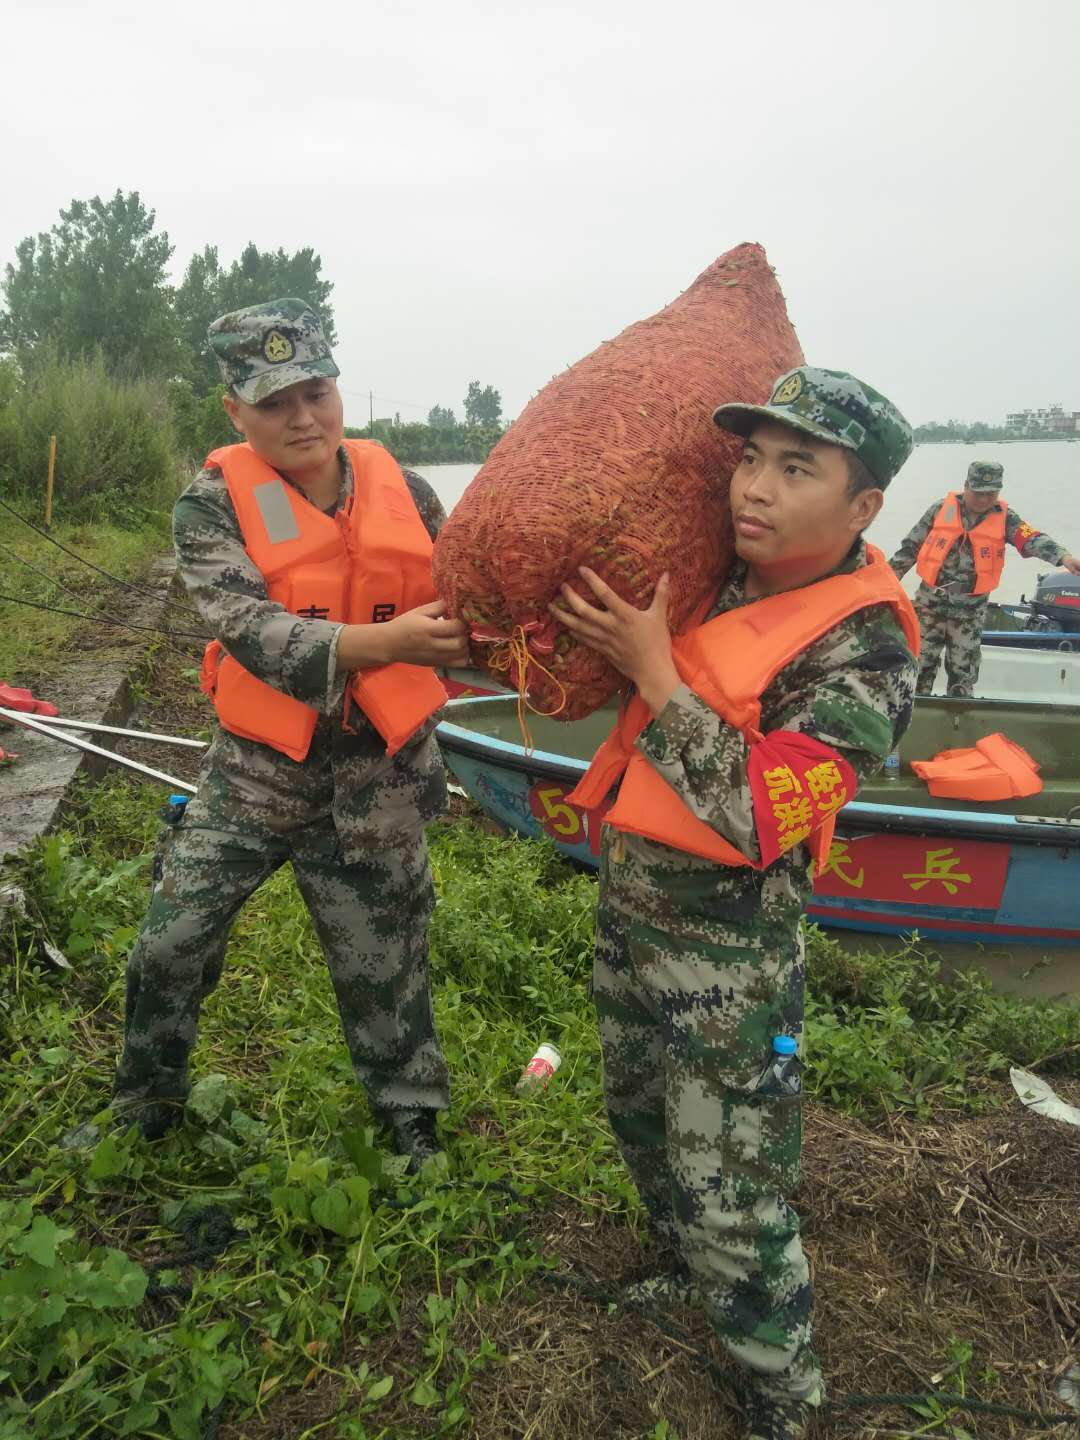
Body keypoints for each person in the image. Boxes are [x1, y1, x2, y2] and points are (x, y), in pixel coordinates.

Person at [552, 368, 920, 1440]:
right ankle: (683, 1278)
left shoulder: (869, 647)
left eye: (795, 469)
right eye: (750, 459)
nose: (754, 488)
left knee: (736, 1192)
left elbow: (765, 813)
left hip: (730, 960)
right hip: (635, 913)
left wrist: (656, 678)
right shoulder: (722, 575)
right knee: (642, 1125)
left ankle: (783, 1396)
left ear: (862, 509)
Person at [105, 299, 468, 1169]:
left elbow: (477, 602)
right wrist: (388, 644)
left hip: (380, 770)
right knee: (171, 942)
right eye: (275, 402)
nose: (303, 416)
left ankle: (410, 1124)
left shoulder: (410, 492)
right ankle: (145, 1108)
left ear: (336, 387)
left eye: (315, 391)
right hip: (257, 775)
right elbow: (257, 635)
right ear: (235, 411)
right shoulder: (209, 510)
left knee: (388, 961)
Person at [889, 460, 1080, 696]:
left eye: (990, 494)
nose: (983, 500)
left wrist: (1063, 557)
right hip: (930, 605)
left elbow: (1032, 538)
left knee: (963, 673)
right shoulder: (940, 509)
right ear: (966, 485)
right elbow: (909, 549)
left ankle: (958, 723)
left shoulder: (1006, 517)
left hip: (970, 611)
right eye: (978, 493)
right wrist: (882, 583)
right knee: (918, 667)